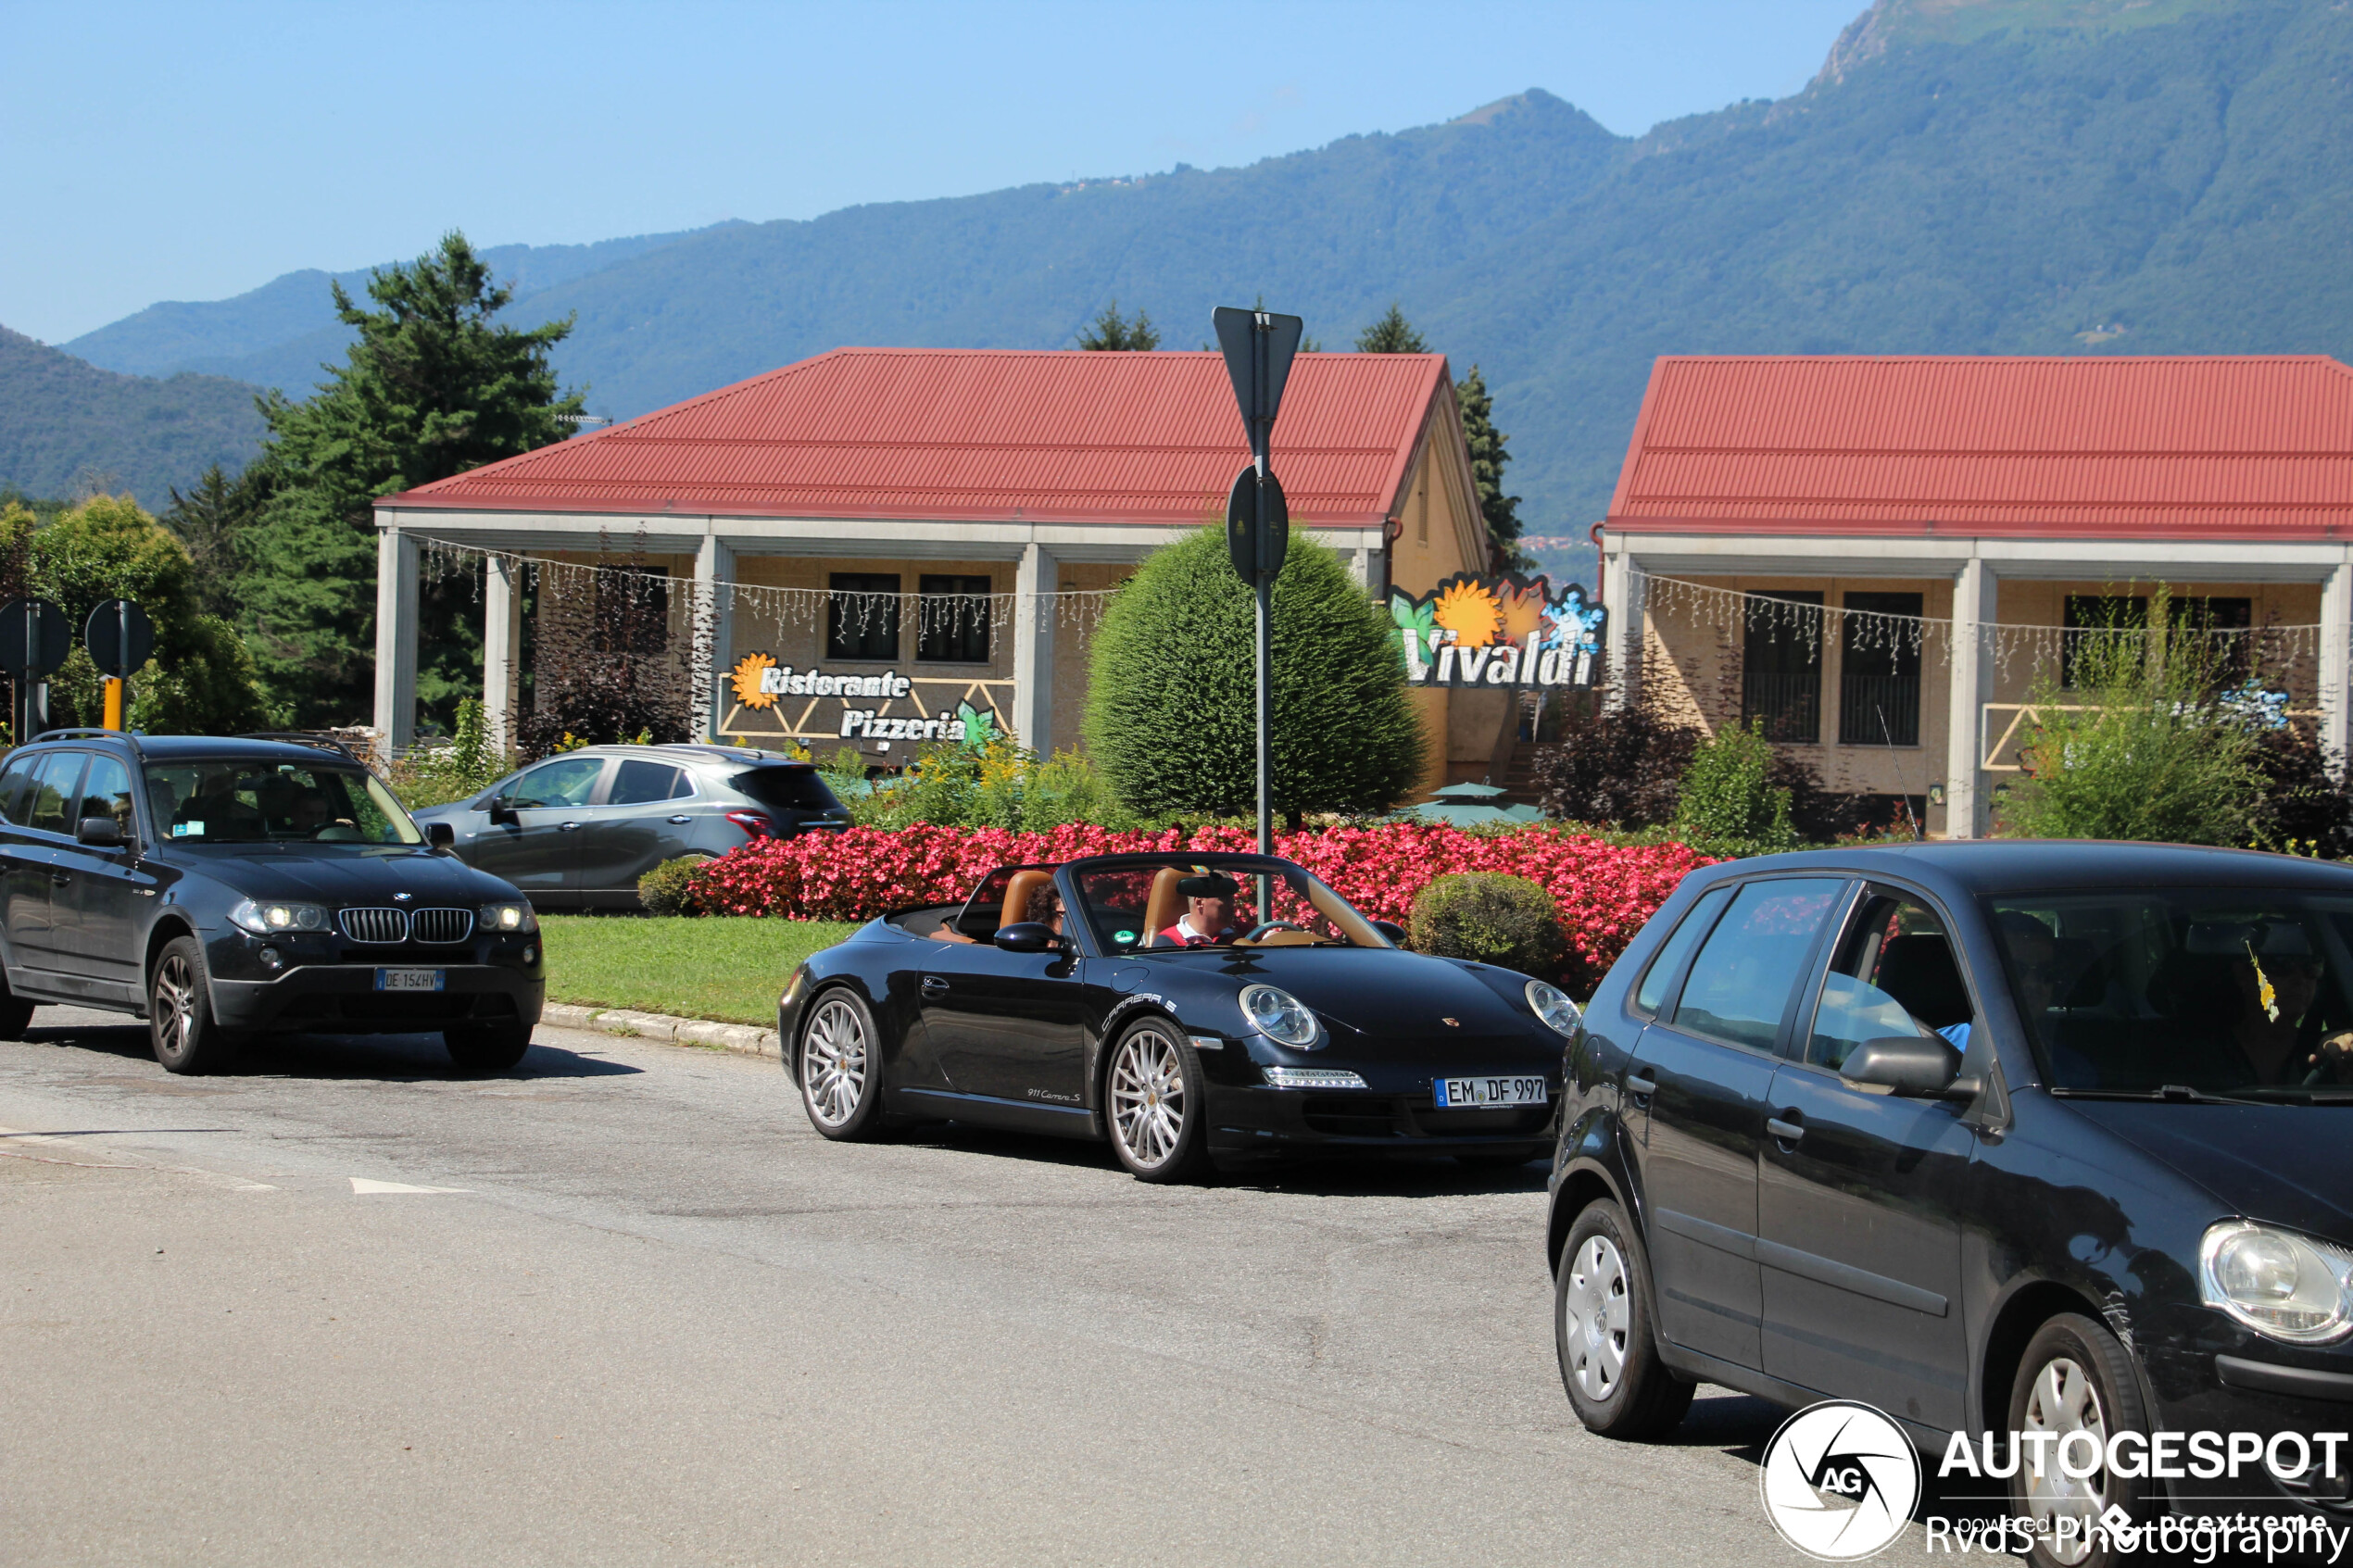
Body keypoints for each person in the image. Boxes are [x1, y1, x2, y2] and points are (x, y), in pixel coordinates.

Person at [1161, 872, 1246, 947]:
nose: (1233, 904)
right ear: (1199, 903)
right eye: (1224, 898)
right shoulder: (1169, 942)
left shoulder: (1242, 931)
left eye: (1232, 898)